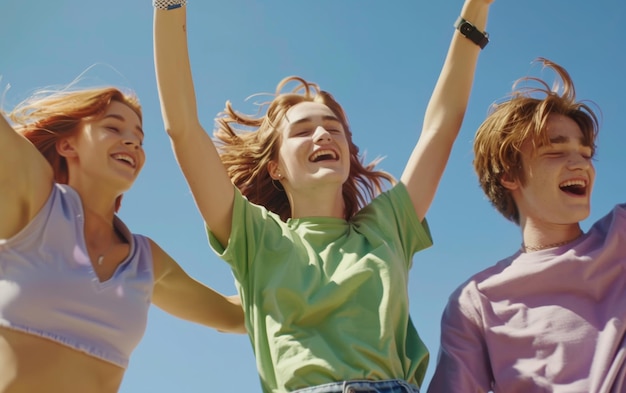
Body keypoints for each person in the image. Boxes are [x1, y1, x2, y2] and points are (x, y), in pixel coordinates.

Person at [153, 0, 494, 391]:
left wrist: (476, 8)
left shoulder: (387, 226)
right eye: (302, 131)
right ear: (275, 167)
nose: (323, 134)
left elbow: (441, 126)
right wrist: (169, 5)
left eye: (333, 128)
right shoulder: (254, 237)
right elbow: (181, 127)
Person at [0, 84, 246, 393]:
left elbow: (236, 315)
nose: (131, 142)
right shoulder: (35, 202)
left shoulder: (145, 260)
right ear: (67, 146)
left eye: (139, 139)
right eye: (113, 128)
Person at [427, 58, 626, 392]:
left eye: (586, 153)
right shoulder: (476, 301)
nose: (581, 164)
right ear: (508, 174)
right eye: (555, 152)